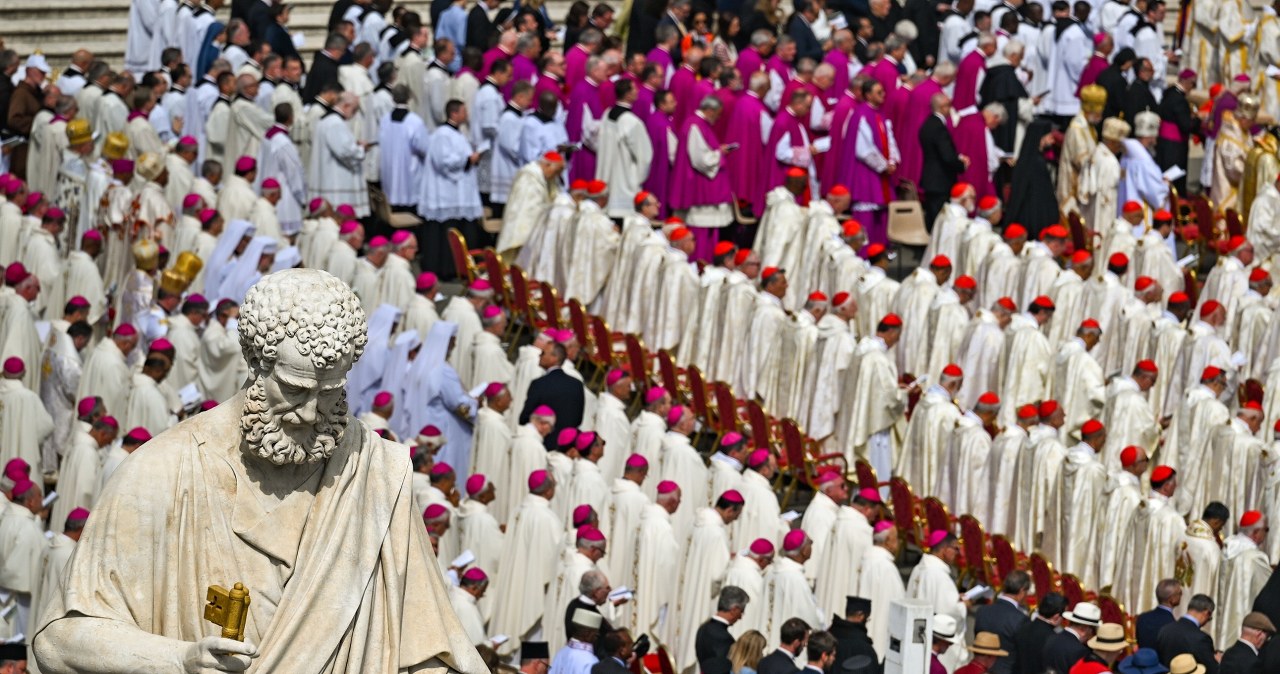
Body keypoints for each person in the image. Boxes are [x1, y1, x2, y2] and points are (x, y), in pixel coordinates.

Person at [31, 269, 488, 674]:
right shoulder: (164, 470)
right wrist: (177, 660)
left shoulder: (377, 474)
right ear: (255, 362)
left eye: (330, 393)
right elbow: (59, 640)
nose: (310, 413)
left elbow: (429, 651)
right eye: (294, 389)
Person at [918, 93, 967, 230]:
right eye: (948, 105)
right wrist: (961, 164)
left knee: (932, 219)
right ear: (942, 107)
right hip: (941, 181)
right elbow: (947, 156)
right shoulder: (939, 127)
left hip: (930, 179)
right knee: (940, 222)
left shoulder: (927, 124)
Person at [973, 571, 1031, 674]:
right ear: (1022, 591)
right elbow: (1024, 654)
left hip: (981, 669)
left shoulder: (982, 611)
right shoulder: (1021, 619)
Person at [1155, 594, 1218, 672]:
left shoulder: (1164, 630)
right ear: (1206, 613)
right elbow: (1211, 669)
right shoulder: (1201, 638)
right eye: (1209, 618)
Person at [697, 586, 749, 674]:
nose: (741, 617)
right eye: (741, 611)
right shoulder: (724, 638)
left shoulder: (703, 628)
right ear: (734, 610)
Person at [1136, 580, 1183, 650]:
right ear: (1171, 599)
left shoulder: (1142, 618)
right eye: (1180, 593)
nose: (1181, 595)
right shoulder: (1172, 626)